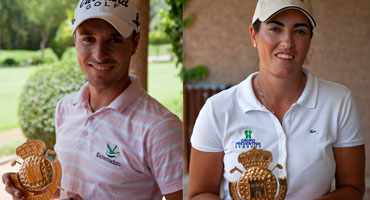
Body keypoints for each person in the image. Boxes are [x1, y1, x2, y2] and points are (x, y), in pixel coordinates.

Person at [2, 0, 183, 199]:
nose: (99, 55)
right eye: (88, 38)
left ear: (135, 43)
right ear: (75, 41)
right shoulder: (65, 107)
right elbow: (65, 185)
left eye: (114, 40)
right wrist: (38, 190)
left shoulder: (161, 128)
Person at [188, 0, 365, 199]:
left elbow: (353, 188)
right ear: (253, 35)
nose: (287, 42)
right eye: (275, 29)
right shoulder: (217, 109)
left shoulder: (339, 102)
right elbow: (200, 194)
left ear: (309, 40)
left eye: (299, 31)